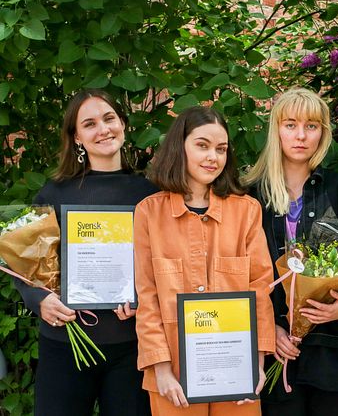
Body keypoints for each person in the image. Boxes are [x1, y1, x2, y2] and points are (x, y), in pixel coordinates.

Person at [14, 89, 157, 416]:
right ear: (77, 137)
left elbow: (162, 264)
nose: (103, 129)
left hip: (130, 349)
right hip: (64, 343)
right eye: (90, 124)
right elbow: (24, 263)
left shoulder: (150, 193)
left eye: (109, 118)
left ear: (122, 123)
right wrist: (40, 300)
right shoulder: (55, 191)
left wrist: (144, 300)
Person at [134, 106, 275, 416]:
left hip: (236, 368)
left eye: (221, 149)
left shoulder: (247, 211)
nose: (213, 156)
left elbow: (260, 288)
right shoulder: (148, 212)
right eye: (202, 145)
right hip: (173, 373)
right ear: (179, 147)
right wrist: (161, 369)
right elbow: (148, 296)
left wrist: (257, 363)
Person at [245, 87, 338, 416]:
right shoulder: (250, 198)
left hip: (333, 351)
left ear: (324, 134)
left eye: (312, 126)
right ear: (276, 130)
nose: (301, 135)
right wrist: (266, 329)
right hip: (274, 353)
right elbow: (237, 274)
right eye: (291, 125)